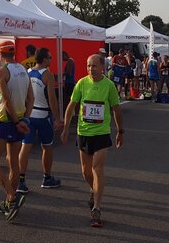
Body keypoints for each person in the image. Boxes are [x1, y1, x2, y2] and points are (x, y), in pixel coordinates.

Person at [61, 54, 124, 228]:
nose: (90, 69)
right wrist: (66, 128)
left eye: (94, 66)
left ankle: (96, 208)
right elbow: (71, 106)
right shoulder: (81, 83)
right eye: (88, 66)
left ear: (102, 67)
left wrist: (120, 131)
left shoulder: (109, 85)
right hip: (84, 133)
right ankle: (93, 189)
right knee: (85, 172)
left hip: (101, 133)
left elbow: (116, 110)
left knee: (97, 168)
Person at [0, 40, 34, 222]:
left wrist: (15, 121)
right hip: (20, 119)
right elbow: (31, 97)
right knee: (12, 162)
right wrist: (24, 120)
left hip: (5, 120)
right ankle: (8, 204)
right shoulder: (23, 69)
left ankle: (11, 197)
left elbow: (5, 100)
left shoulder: (1, 71)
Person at [17, 47, 61, 193]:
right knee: (47, 147)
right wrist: (57, 118)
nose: (51, 60)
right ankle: (47, 178)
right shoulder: (47, 74)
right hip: (43, 116)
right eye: (50, 58)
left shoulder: (27, 72)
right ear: (44, 59)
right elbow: (52, 99)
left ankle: (20, 180)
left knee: (25, 147)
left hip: (29, 115)